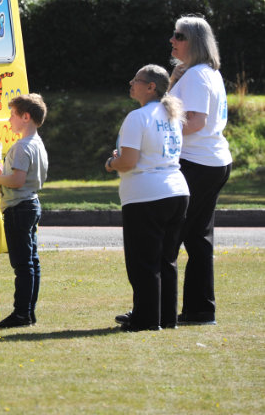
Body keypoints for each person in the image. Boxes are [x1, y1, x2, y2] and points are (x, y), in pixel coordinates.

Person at [106, 64, 189, 331]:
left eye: (137, 80)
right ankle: (166, 317)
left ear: (151, 87)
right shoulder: (171, 115)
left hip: (146, 195)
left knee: (143, 261)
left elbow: (128, 161)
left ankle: (145, 320)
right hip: (176, 190)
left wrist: (110, 163)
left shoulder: (137, 117)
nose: (131, 82)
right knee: (167, 260)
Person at [168, 16, 232, 325]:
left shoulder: (195, 76)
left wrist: (157, 130)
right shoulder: (207, 73)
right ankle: (200, 309)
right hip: (212, 161)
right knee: (197, 239)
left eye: (178, 35)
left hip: (196, 162)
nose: (172, 40)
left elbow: (195, 122)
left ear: (193, 41)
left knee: (170, 237)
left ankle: (157, 309)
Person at [0, 94, 48, 329]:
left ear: (26, 117)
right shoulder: (37, 143)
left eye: (13, 114)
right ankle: (28, 313)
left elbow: (17, 181)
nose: (9, 119)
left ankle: (21, 314)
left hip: (18, 208)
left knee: (22, 265)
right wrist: (3, 172)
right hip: (31, 204)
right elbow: (19, 177)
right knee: (31, 262)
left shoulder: (22, 147)